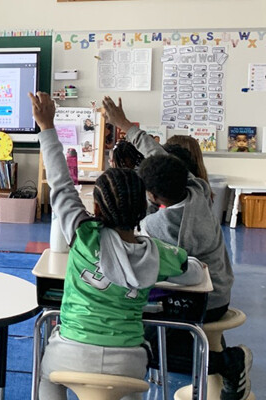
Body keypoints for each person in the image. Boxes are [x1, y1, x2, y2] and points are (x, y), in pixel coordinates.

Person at [29, 92, 206, 400]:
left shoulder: (84, 235)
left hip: (69, 353)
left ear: (96, 210)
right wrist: (192, 265)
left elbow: (60, 183)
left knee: (48, 377)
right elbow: (191, 274)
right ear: (145, 206)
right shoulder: (158, 253)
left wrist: (46, 125)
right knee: (126, 389)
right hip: (128, 362)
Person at [103, 96, 252, 400]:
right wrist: (126, 126)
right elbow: (159, 155)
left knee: (143, 339)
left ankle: (230, 362)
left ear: (153, 195)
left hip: (201, 302)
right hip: (220, 290)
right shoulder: (198, 190)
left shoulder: (158, 227)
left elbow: (145, 261)